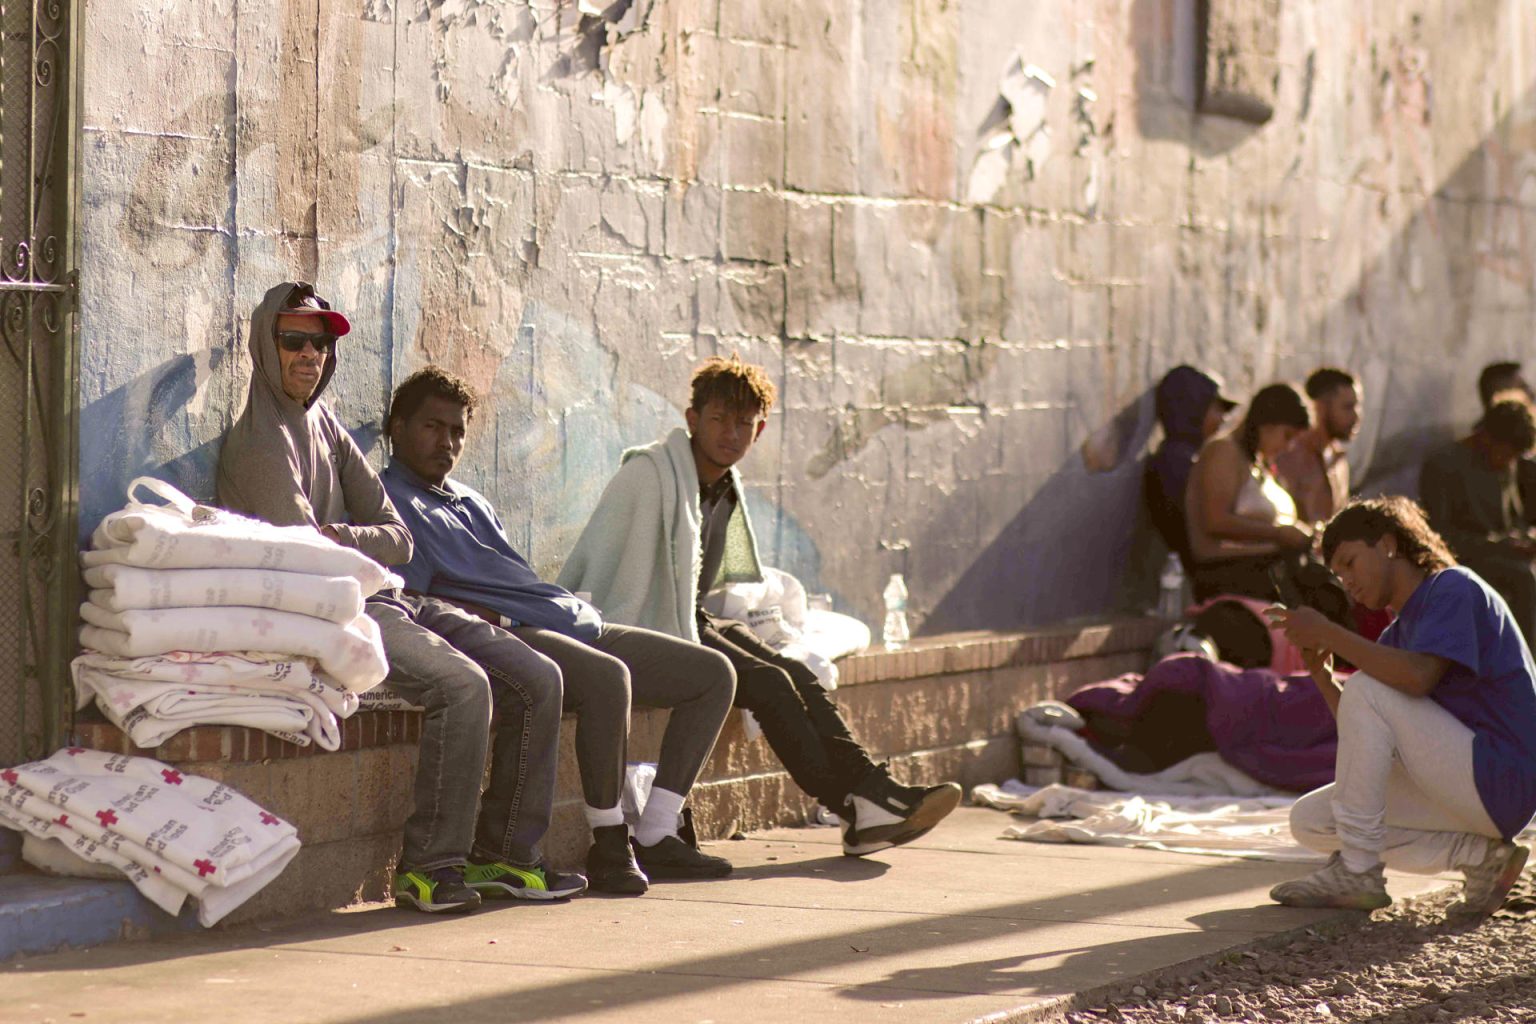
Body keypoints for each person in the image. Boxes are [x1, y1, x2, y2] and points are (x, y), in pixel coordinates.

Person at [216, 281, 583, 913]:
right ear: (263, 345)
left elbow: (400, 537)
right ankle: (429, 869)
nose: (311, 355)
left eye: (322, 342)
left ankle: (505, 857)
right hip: (334, 609)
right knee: (464, 685)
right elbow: (312, 555)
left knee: (538, 675)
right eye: (294, 340)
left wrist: (341, 535)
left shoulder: (324, 423)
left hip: (387, 595)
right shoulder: (260, 440)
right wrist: (348, 540)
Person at [558, 355, 961, 856]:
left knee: (797, 672)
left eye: (744, 423)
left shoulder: (725, 485)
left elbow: (696, 589)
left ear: (760, 429)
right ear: (692, 420)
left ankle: (871, 795)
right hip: (639, 623)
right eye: (719, 419)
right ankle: (860, 807)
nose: (731, 433)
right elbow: (606, 573)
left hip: (688, 618)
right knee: (768, 684)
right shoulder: (649, 475)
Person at [379, 367, 739, 894]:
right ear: (397, 427)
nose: (448, 442)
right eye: (433, 427)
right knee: (607, 676)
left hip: (563, 618)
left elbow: (517, 577)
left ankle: (658, 831)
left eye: (457, 431)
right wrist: (500, 621)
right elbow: (412, 600)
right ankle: (610, 841)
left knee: (712, 672)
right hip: (515, 633)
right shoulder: (389, 500)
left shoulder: (470, 500)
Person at [1266, 497, 1536, 918]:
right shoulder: (1399, 630)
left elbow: (1417, 677)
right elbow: (1365, 739)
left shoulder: (1453, 587)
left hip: (1502, 779)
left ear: (1388, 544)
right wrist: (1322, 677)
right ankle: (1483, 858)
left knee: (1366, 689)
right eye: (1337, 573)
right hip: (1466, 788)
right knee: (1312, 820)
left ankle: (1358, 870)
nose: (1346, 582)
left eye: (1350, 562)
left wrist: (1330, 633)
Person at [1183, 382, 1315, 601]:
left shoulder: (1258, 462)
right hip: (1225, 570)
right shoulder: (1223, 451)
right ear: (1266, 425)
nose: (1288, 447)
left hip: (1263, 564)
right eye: (1287, 436)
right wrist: (1279, 534)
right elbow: (1216, 521)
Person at [1419, 398, 1536, 644]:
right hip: (1461, 561)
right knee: (1524, 579)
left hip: (1500, 555)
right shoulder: (1443, 466)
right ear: (1486, 437)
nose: (1509, 462)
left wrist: (1524, 540)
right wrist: (1497, 545)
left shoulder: (1506, 464)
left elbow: (1512, 519)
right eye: (1506, 453)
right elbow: (1437, 537)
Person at [1144, 366, 1240, 568]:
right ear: (1193, 408)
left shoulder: (1187, 460)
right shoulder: (1175, 464)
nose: (1222, 419)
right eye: (1216, 409)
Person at [1274, 367, 1362, 525]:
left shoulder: (1338, 459)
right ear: (1319, 408)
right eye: (1347, 407)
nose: (1356, 416)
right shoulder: (1288, 455)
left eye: (1357, 406)